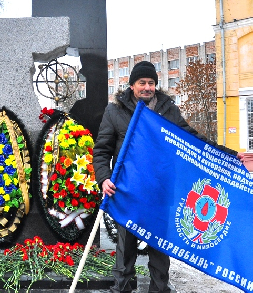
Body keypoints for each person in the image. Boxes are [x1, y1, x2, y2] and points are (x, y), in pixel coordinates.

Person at [93, 61, 244, 293]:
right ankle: (121, 287)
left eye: (151, 83)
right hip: (128, 190)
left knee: (160, 245)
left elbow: (193, 139)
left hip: (161, 191)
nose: (147, 87)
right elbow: (102, 150)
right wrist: (104, 178)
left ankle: (160, 288)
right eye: (142, 82)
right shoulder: (115, 111)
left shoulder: (168, 110)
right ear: (132, 85)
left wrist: (231, 155)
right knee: (126, 246)